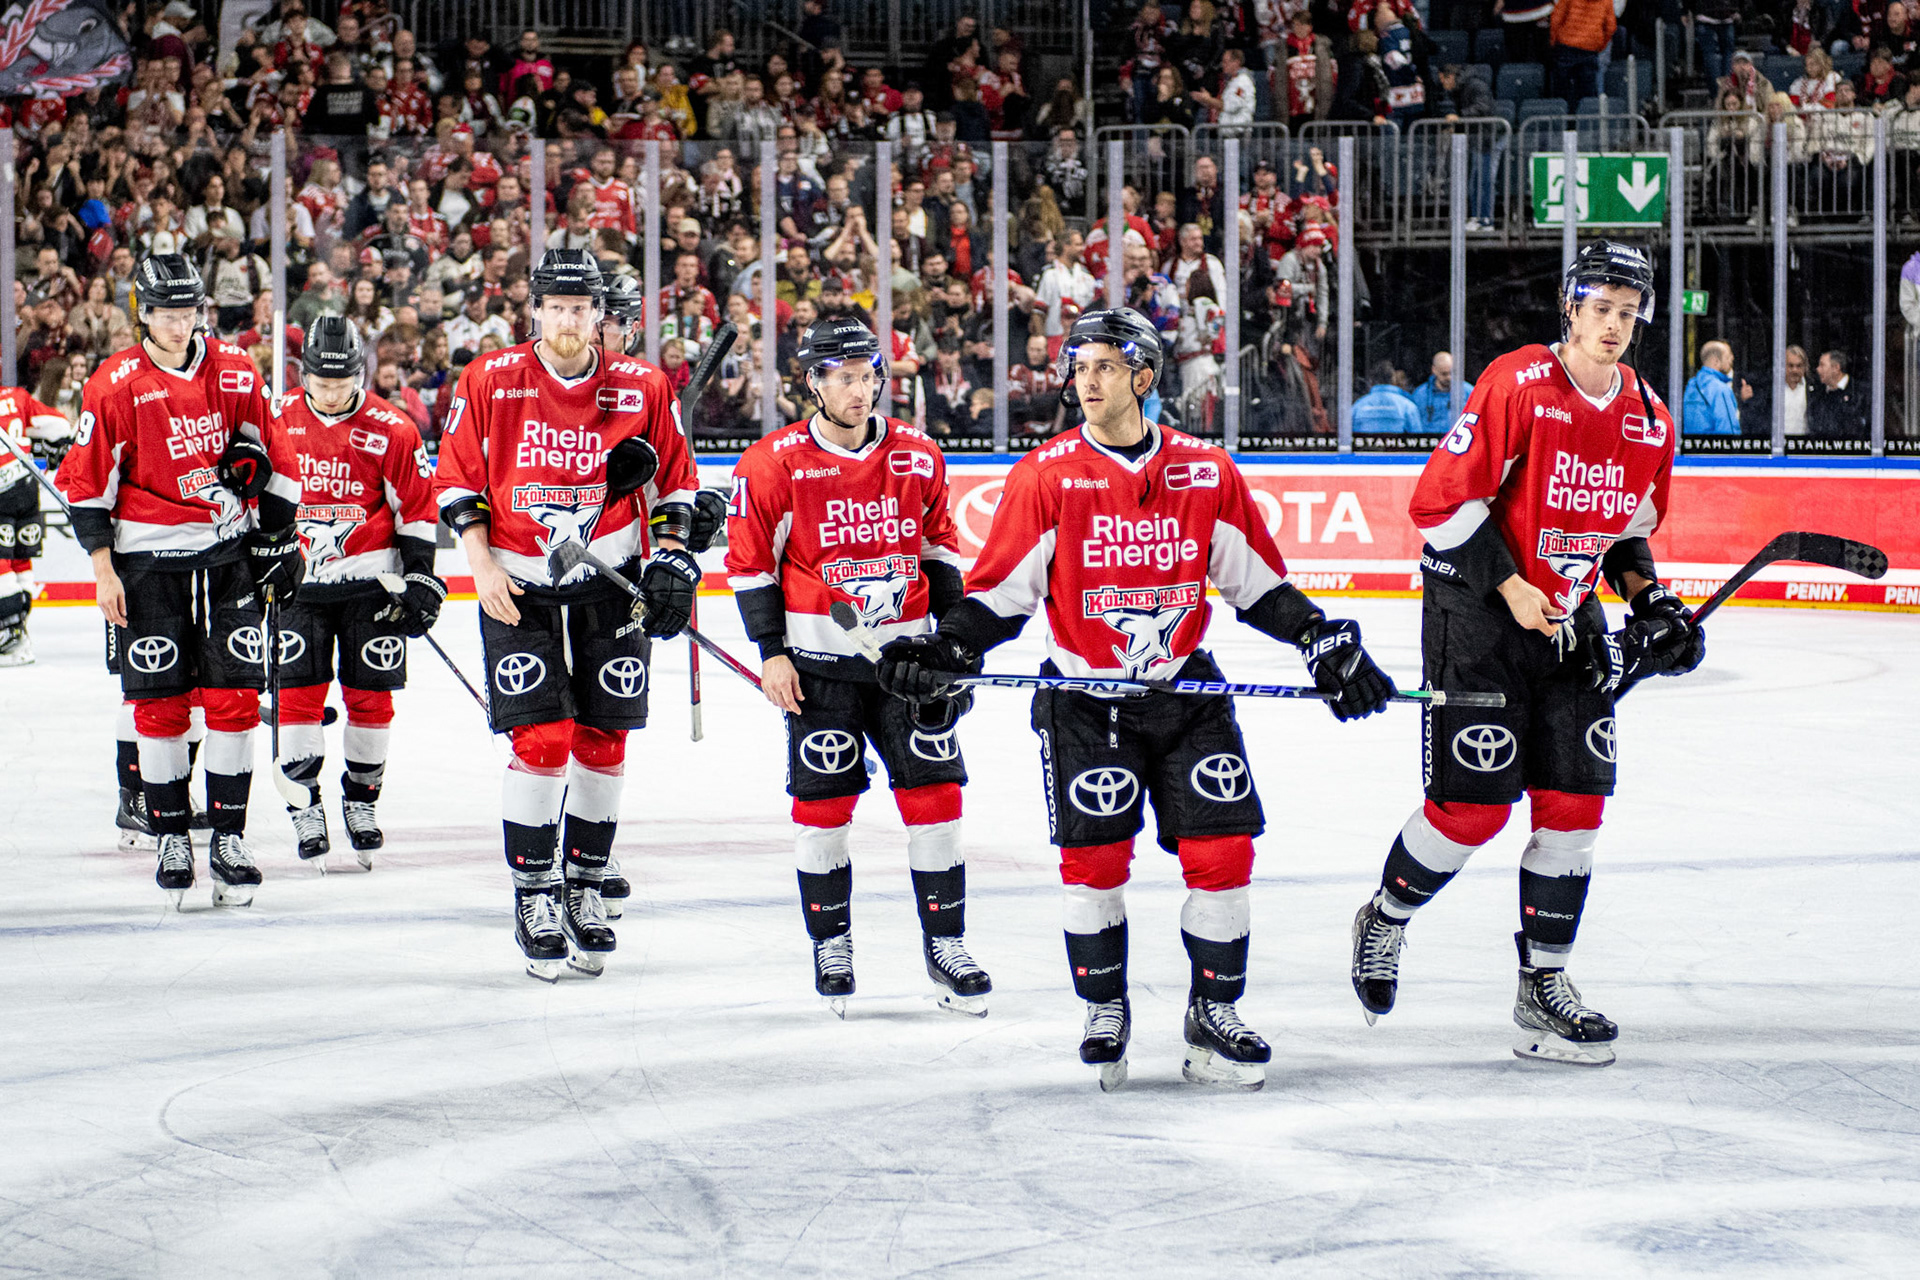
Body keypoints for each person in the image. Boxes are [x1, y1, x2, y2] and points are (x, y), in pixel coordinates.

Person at [877, 309, 1394, 1091]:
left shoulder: (1205, 470)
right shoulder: (1048, 475)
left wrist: (1321, 638)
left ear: (1144, 379)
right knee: (1093, 865)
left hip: (1187, 691)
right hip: (1084, 700)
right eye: (1079, 366)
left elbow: (1259, 584)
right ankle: (1105, 1006)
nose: (1086, 380)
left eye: (1106, 367)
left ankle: (1212, 1012)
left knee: (1222, 856)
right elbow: (999, 597)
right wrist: (944, 649)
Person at [1348, 241, 1702, 1068]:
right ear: (1571, 308)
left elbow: (1626, 533)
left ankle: (1543, 983)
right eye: (1600, 308)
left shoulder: (1650, 418)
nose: (1613, 325)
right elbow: (1439, 505)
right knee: (1474, 811)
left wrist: (1650, 602)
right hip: (1478, 614)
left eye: (1628, 311)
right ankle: (1386, 918)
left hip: (1570, 623)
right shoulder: (1518, 383)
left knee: (1575, 809)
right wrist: (1512, 590)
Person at [433, 249, 698, 981]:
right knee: (544, 738)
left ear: (599, 314)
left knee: (604, 737)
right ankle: (534, 892)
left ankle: (583, 883)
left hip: (611, 582)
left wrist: (673, 556)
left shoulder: (644, 385)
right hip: (516, 581)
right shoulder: (491, 379)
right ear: (536, 311)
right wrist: (480, 564)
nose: (569, 319)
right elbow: (456, 479)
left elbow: (675, 484)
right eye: (557, 306)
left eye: (582, 308)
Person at [724, 316, 990, 1017]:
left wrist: (952, 646)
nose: (859, 390)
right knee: (823, 811)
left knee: (936, 802)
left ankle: (946, 942)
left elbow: (939, 548)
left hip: (908, 667)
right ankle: (831, 942)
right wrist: (772, 654)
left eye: (867, 375)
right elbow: (751, 568)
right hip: (820, 668)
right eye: (842, 377)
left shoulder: (918, 453)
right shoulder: (773, 463)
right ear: (812, 382)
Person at [55, 254, 305, 908]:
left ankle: (228, 835)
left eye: (189, 310)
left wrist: (280, 537)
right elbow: (87, 488)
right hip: (146, 564)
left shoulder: (235, 369)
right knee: (159, 706)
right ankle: (169, 833)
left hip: (226, 557)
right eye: (167, 312)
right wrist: (102, 571)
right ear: (144, 310)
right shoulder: (114, 383)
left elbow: (276, 459)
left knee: (234, 703)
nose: (180, 323)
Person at [262, 317, 442, 867]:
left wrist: (422, 576)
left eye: (342, 382)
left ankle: (362, 802)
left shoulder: (393, 426)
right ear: (303, 372)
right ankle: (306, 806)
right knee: (297, 697)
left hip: (373, 584)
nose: (331, 392)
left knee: (371, 698)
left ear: (361, 374)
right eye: (320, 381)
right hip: (298, 585)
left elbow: (416, 509)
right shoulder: (275, 420)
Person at [0, 385, 71, 665]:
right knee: (20, 560)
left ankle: (8, 634)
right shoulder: (16, 396)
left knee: (2, 564)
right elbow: (57, 425)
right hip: (27, 488)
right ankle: (20, 628)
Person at [1681, 339, 1747, 435]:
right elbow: (1728, 432)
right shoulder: (1721, 389)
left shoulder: (1691, 385)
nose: (1732, 359)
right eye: (1728, 357)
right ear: (1716, 361)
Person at [1809, 349, 1869, 438]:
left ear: (1836, 368)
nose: (1818, 369)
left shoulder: (1861, 392)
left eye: (1822, 365)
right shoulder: (1818, 394)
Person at [1410, 351, 1475, 433]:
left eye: (1452, 373)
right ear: (1434, 370)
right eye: (1444, 374)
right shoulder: (1420, 394)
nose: (1449, 377)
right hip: (1428, 443)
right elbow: (1414, 425)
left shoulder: (1468, 392)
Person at [1351, 361, 1425, 433]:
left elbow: (1346, 436)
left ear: (1371, 381)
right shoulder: (1408, 407)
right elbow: (1418, 438)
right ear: (1393, 379)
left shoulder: (1358, 406)